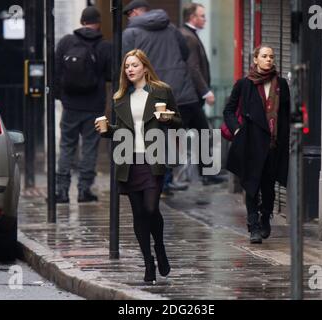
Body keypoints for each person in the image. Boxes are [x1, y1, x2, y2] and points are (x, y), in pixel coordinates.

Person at [96, 49, 182, 283]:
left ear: (145, 67)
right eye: (127, 66)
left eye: (134, 65)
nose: (130, 69)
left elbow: (179, 120)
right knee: (138, 213)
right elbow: (121, 131)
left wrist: (168, 119)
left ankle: (160, 247)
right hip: (129, 161)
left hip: (153, 158)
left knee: (151, 209)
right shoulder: (120, 97)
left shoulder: (161, 91)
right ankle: (148, 263)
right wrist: (107, 131)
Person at [122, 0, 196, 195]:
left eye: (129, 14)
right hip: (175, 88)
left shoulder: (131, 33)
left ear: (136, 12)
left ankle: (155, 182)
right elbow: (185, 52)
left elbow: (125, 64)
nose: (129, 18)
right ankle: (166, 180)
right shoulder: (170, 28)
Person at [223, 45, 290, 244]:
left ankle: (265, 217)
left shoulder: (281, 84)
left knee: (269, 186)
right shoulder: (245, 84)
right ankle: (253, 225)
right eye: (264, 56)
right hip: (251, 143)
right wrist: (237, 130)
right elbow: (229, 110)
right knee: (251, 185)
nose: (268, 59)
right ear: (255, 59)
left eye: (271, 56)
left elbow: (286, 113)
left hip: (273, 143)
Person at [54, 6, 111, 204]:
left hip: (70, 105)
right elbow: (111, 75)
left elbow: (56, 71)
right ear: (98, 23)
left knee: (66, 146)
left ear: (81, 21)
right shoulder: (104, 46)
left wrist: (60, 96)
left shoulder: (66, 42)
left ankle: (61, 190)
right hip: (94, 106)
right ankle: (84, 190)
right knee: (90, 147)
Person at [180, 3, 225, 186]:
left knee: (200, 132)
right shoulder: (188, 37)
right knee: (200, 132)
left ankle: (206, 173)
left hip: (188, 96)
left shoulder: (188, 35)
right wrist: (206, 91)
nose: (205, 19)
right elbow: (193, 68)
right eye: (202, 16)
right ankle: (205, 173)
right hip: (189, 97)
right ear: (192, 17)